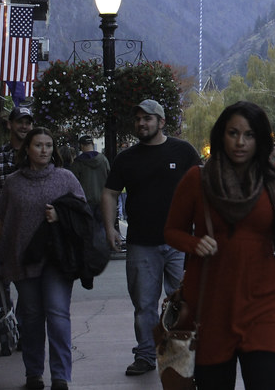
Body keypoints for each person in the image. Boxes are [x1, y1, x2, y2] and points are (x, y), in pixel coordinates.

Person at [164, 101, 275, 390]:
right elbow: (171, 231)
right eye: (233, 133)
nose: (240, 142)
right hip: (210, 309)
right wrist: (193, 242)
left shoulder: (273, 182)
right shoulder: (197, 179)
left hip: (263, 309)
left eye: (249, 135)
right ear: (221, 136)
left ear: (260, 139)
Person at [101, 99, 200, 377]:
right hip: (141, 243)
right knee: (143, 305)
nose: (142, 123)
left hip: (179, 242)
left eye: (148, 118)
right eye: (138, 119)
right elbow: (110, 192)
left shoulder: (183, 151)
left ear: (161, 121)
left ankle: (178, 356)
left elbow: (203, 186)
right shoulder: (126, 158)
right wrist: (110, 228)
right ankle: (145, 354)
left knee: (182, 301)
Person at [0, 128, 85, 390]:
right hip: (23, 259)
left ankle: (60, 376)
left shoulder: (65, 178)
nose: (44, 150)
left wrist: (60, 216)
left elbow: (82, 215)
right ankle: (33, 373)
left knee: (57, 315)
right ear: (27, 150)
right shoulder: (13, 182)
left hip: (57, 259)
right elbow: (2, 220)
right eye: (38, 145)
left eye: (48, 145)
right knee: (31, 318)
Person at [0, 105, 35, 314]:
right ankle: (4, 315)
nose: (24, 126)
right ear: (9, 124)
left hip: (32, 231)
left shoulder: (38, 157)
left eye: (28, 122)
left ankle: (24, 325)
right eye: (20, 121)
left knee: (30, 282)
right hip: (2, 231)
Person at [70, 136, 110, 235]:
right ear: (92, 144)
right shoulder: (103, 159)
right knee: (102, 228)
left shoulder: (78, 163)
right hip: (102, 200)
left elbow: (72, 182)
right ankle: (102, 249)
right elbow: (110, 178)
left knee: (87, 230)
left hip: (85, 201)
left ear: (81, 146)